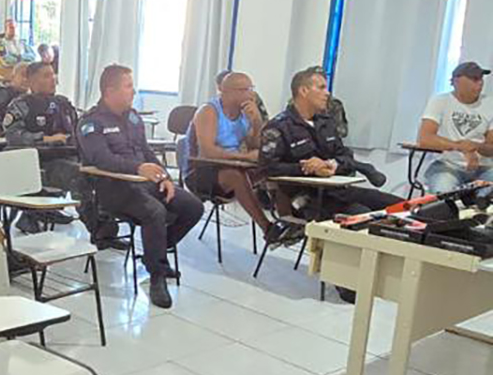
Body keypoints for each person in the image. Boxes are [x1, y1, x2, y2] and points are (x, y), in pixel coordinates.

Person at [78, 65, 204, 309]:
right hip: (114, 188)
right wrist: (137, 169)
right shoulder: (91, 122)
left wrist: (164, 177)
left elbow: (146, 152)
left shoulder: (134, 118)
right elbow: (101, 160)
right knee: (154, 212)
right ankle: (157, 274)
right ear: (109, 91)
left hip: (145, 183)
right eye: (127, 86)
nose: (133, 91)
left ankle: (155, 250)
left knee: (193, 206)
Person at [259, 67, 400, 218]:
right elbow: (267, 167)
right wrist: (306, 168)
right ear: (304, 91)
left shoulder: (326, 123)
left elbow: (345, 156)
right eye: (321, 88)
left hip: (338, 191)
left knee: (402, 207)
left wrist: (332, 164)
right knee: (364, 216)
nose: (327, 93)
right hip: (305, 198)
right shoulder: (279, 127)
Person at [188, 72, 290, 243]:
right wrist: (242, 158)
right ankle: (267, 228)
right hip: (203, 171)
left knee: (274, 168)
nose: (251, 94)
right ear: (227, 91)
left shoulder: (244, 114)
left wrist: (257, 123)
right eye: (245, 89)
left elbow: (254, 146)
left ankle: (287, 222)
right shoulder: (208, 111)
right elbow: (207, 151)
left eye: (251, 89)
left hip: (234, 166)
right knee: (236, 176)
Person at [3, 61, 79, 233]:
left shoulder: (63, 104)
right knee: (76, 175)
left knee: (86, 172)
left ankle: (48, 209)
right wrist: (45, 138)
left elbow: (76, 129)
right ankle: (31, 214)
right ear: (30, 81)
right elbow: (13, 136)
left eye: (53, 75)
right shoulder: (20, 105)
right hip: (32, 161)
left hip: (60, 157)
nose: (53, 80)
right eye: (46, 76)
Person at [417, 61, 493, 194]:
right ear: (457, 81)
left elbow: (491, 147)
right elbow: (425, 138)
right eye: (474, 79)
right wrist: (460, 147)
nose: (480, 83)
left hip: (484, 168)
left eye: (481, 78)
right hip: (447, 165)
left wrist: (476, 147)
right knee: (444, 198)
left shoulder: (490, 104)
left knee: (485, 200)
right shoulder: (440, 101)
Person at [0, 19, 35, 85]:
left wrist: (20, 57)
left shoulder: (22, 42)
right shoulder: (1, 44)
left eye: (15, 27)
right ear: (5, 29)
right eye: (11, 28)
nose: (14, 30)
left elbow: (33, 56)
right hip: (7, 79)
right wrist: (22, 61)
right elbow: (6, 60)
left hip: (22, 78)